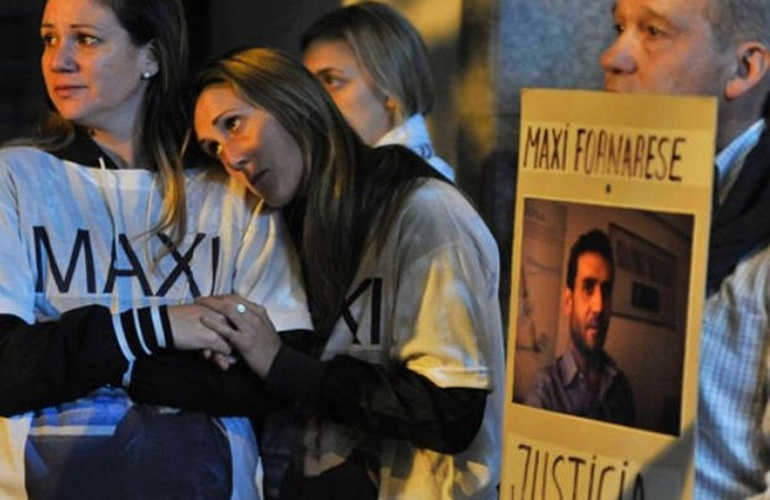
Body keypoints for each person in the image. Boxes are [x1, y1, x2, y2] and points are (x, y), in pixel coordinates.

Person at [0, 0, 310, 498]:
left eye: (86, 38)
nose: (58, 60)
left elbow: (277, 375)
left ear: (152, 55)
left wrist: (86, 357)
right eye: (49, 38)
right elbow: (8, 370)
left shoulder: (230, 184)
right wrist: (161, 327)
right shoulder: (15, 176)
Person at [190, 46, 504, 499]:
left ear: (293, 102)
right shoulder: (289, 222)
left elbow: (450, 409)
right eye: (213, 147)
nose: (231, 158)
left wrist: (283, 365)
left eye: (234, 124)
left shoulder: (423, 213)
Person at [601, 0, 770, 497]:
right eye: (618, 28)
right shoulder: (596, 196)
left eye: (653, 31)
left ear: (744, 68)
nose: (613, 56)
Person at [300, 1, 455, 181]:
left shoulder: (418, 189)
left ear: (390, 87)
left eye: (332, 81)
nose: (312, 99)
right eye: (308, 84)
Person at [524, 229, 635, 426]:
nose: (599, 306)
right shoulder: (545, 391)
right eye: (588, 288)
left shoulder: (622, 386)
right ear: (568, 301)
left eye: (606, 290)